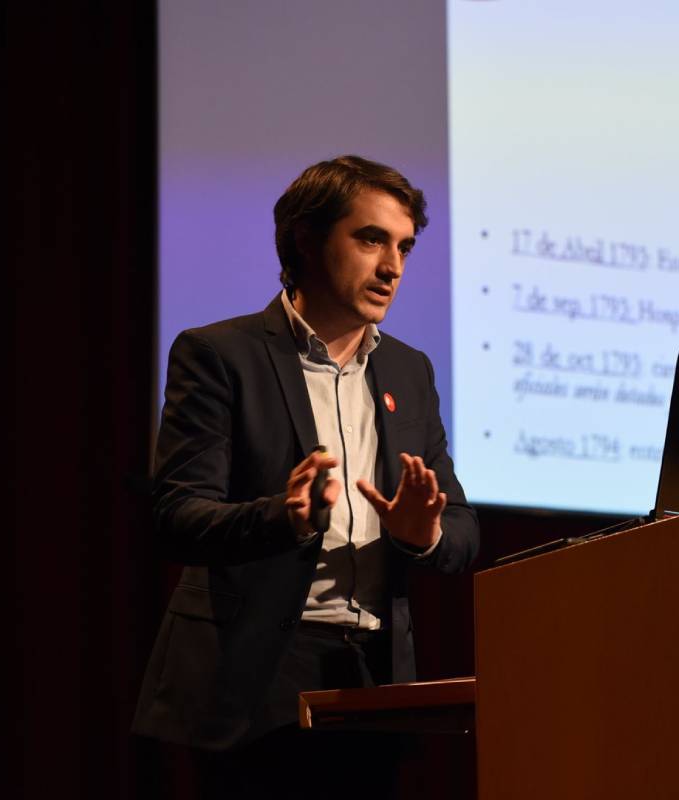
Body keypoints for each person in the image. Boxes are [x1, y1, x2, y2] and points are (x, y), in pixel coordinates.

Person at [132, 155, 480, 797]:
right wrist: (283, 517)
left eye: (404, 246)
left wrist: (421, 535)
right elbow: (175, 516)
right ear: (305, 239)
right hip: (253, 680)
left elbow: (461, 530)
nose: (393, 266)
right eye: (371, 238)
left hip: (374, 682)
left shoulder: (410, 371)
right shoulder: (219, 355)